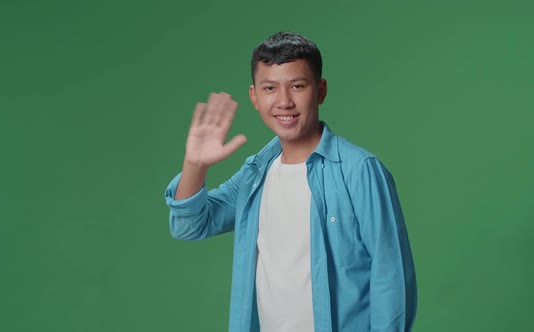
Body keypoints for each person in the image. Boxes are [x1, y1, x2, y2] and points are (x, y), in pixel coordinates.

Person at [164, 31, 417, 332]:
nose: (284, 101)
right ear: (254, 97)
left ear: (320, 90)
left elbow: (391, 275)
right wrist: (195, 164)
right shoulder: (255, 175)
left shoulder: (360, 170)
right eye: (270, 88)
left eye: (297, 86)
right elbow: (189, 226)